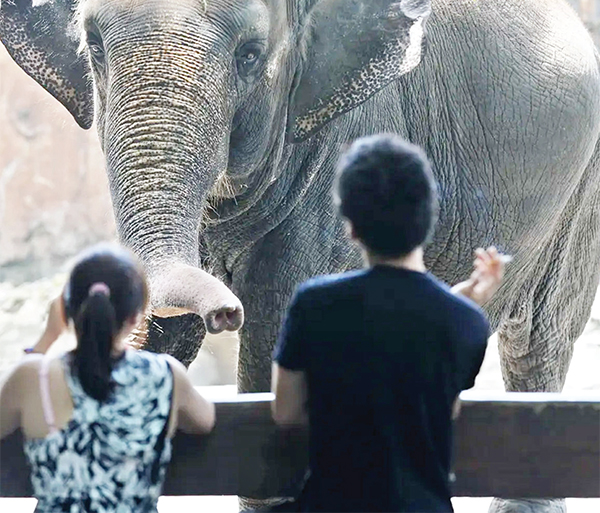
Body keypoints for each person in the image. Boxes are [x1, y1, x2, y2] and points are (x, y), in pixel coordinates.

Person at [271, 134, 506, 513]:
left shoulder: (314, 303)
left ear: (351, 227)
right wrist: (459, 303)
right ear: (428, 217)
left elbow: (286, 413)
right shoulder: (467, 324)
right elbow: (441, 408)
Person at [0, 243, 215, 513]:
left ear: (66, 310)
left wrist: (47, 338)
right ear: (137, 317)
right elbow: (205, 422)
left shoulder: (33, 378)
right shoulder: (166, 375)